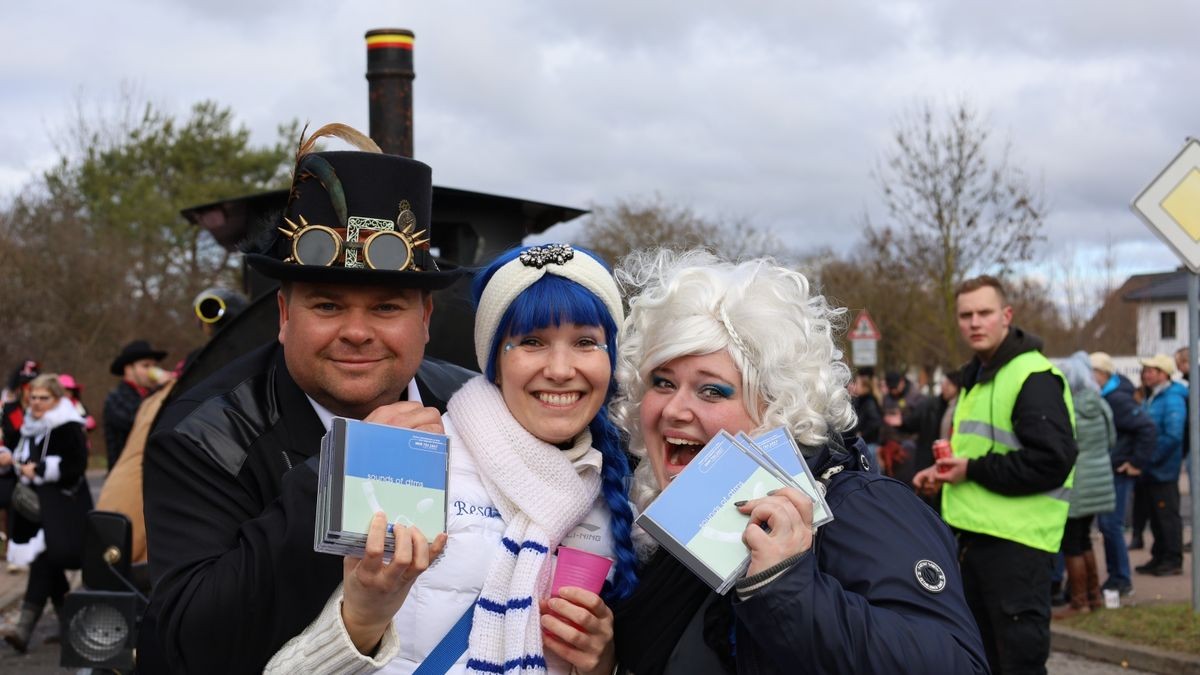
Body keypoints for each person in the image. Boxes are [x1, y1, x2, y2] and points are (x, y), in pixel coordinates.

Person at [142, 125, 474, 673]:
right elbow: (190, 642)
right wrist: (344, 470)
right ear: (284, 315)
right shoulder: (202, 440)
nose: (357, 332)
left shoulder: (472, 403)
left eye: (387, 308)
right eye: (327, 306)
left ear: (426, 319)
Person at [267, 243, 639, 674]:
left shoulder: (613, 490)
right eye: (532, 341)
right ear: (494, 361)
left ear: (611, 358)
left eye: (586, 342)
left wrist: (601, 664)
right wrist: (363, 618)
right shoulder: (411, 453)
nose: (559, 368)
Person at [611, 250, 987, 674]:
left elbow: (958, 664)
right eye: (662, 382)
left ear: (776, 405)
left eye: (712, 390)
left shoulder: (858, 509)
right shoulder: (668, 522)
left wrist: (786, 587)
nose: (674, 410)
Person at [913, 274, 1076, 675]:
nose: (974, 322)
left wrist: (970, 470)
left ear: (1006, 315)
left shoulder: (1031, 376)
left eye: (984, 312)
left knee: (1017, 664)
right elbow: (982, 452)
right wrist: (943, 473)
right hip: (975, 541)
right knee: (980, 661)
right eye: (965, 314)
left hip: (1017, 548)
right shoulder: (978, 375)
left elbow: (1052, 462)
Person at [0, 374, 93, 653]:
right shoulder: (31, 425)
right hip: (35, 508)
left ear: (57, 399)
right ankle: (72, 627)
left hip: (63, 508)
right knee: (46, 562)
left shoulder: (68, 426)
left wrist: (40, 469)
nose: (38, 403)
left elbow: (76, 466)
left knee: (46, 560)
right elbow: (17, 449)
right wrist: (10, 460)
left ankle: (24, 629)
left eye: (45, 398)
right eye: (35, 397)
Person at [1052, 352, 1115, 618]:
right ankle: (1094, 596)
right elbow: (1112, 440)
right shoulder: (1101, 403)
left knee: (1072, 542)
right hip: (1099, 480)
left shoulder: (1068, 408)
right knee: (1086, 539)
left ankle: (1078, 601)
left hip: (1077, 482)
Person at [1089, 351, 1155, 597]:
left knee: (1111, 525)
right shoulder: (1110, 395)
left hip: (1119, 471)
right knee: (1108, 525)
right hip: (1113, 469)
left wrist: (1135, 462)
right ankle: (1116, 577)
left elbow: (1147, 428)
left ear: (1102, 374)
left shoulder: (1117, 400)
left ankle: (1121, 579)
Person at [1133, 354, 1187, 577]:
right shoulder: (1154, 397)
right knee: (1156, 517)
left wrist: (1148, 458)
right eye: (1145, 370)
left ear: (1164, 374)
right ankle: (1160, 556)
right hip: (1152, 470)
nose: (1146, 374)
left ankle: (1172, 559)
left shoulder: (1172, 398)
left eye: (1151, 370)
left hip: (1163, 470)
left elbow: (1173, 436)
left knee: (1167, 517)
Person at [894, 369, 961, 509]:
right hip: (930, 456)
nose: (944, 387)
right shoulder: (934, 404)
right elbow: (916, 420)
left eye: (949, 384)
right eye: (944, 383)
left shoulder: (958, 406)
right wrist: (903, 423)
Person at [103, 339, 169, 470]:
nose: (152, 370)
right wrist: (161, 390)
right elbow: (138, 421)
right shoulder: (115, 398)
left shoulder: (150, 394)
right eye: (146, 366)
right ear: (128, 370)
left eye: (154, 365)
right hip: (124, 475)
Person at [849, 367, 882, 450]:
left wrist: (862, 434)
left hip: (869, 444)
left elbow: (875, 422)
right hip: (865, 443)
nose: (854, 386)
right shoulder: (860, 400)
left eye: (857, 384)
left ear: (865, 386)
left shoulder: (869, 402)